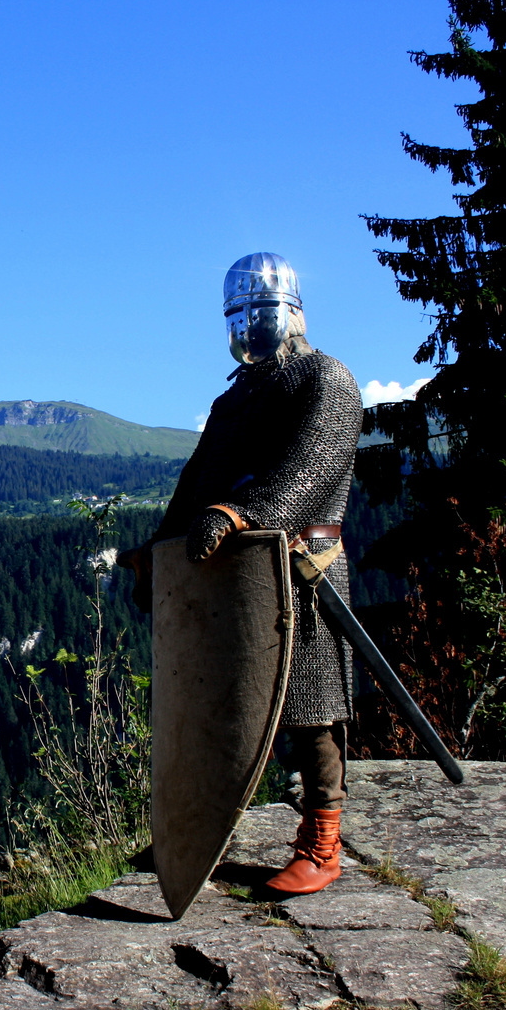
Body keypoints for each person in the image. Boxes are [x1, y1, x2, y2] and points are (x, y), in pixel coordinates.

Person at [122, 252, 363, 897]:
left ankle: (323, 839)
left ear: (288, 311)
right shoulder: (234, 398)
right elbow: (196, 482)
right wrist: (161, 549)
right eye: (241, 317)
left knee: (310, 709)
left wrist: (243, 513)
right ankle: (194, 830)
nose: (251, 328)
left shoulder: (326, 379)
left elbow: (309, 470)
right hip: (222, 578)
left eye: (260, 315)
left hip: (300, 571)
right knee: (208, 703)